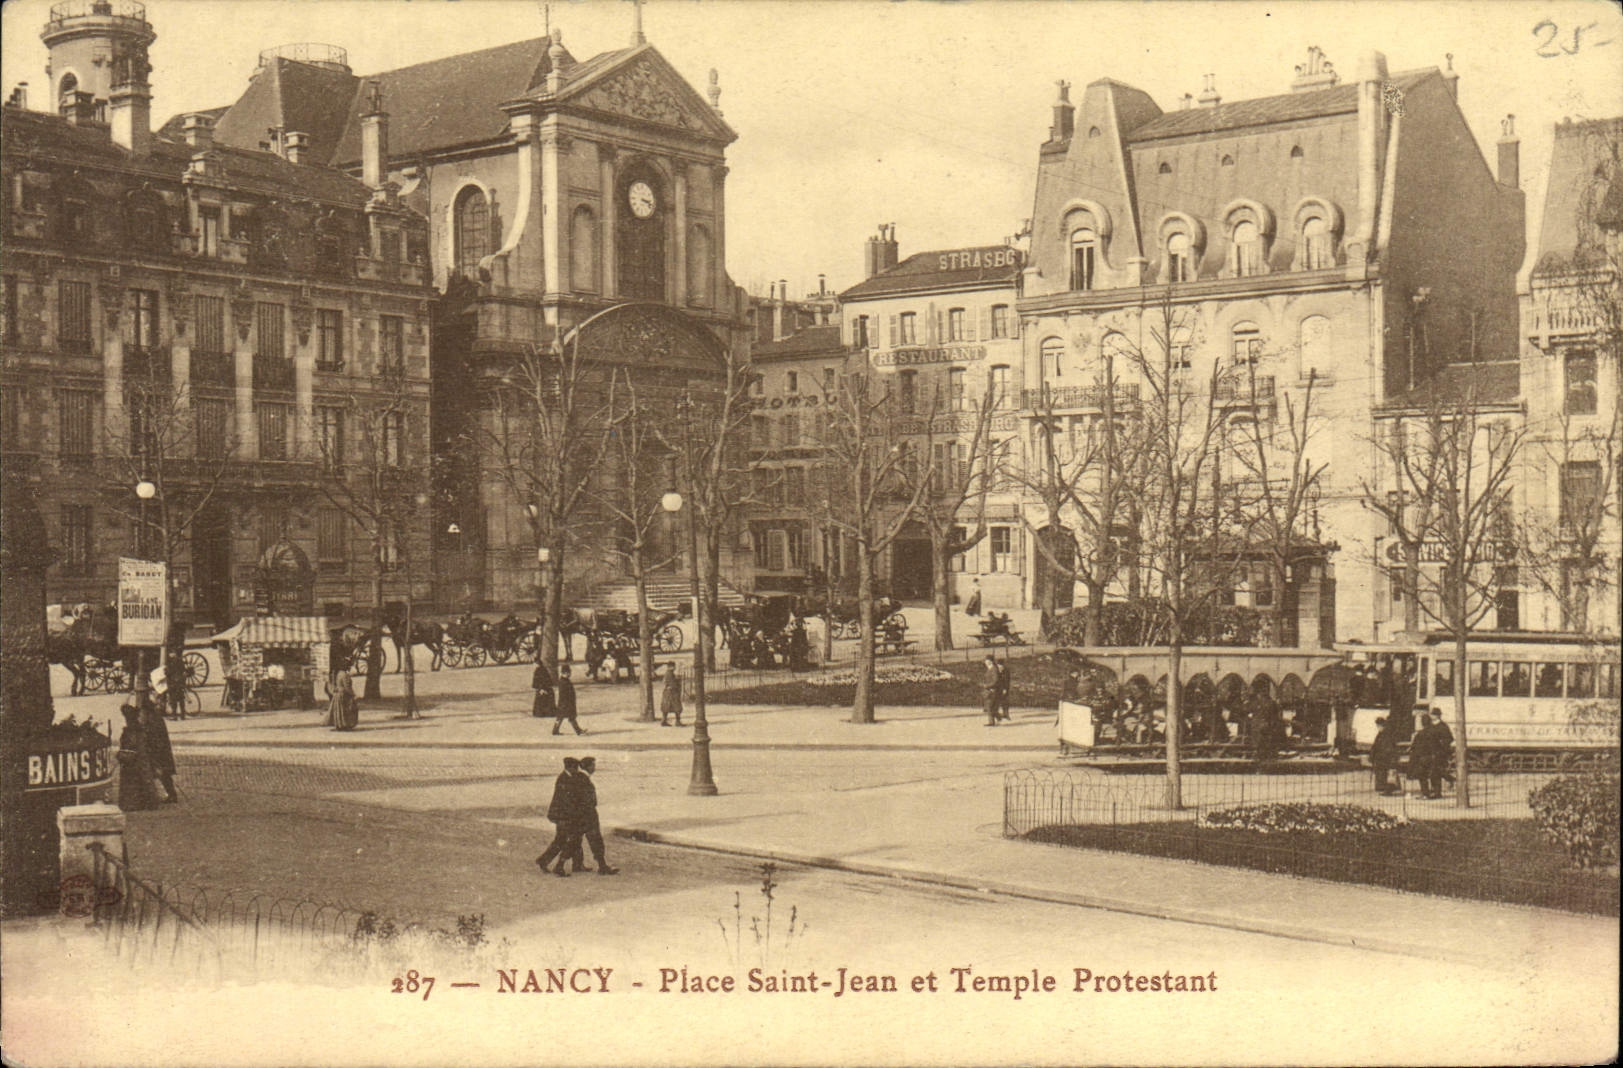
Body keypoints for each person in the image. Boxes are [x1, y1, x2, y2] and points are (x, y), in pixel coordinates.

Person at [537, 758, 584, 877]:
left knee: (566, 839)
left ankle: (576, 864)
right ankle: (548, 862)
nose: (577, 770)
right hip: (563, 816)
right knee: (564, 840)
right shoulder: (564, 779)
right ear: (570, 767)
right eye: (576, 767)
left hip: (563, 815)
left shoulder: (566, 777)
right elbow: (565, 801)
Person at [574, 757, 619, 875]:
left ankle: (577, 864)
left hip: (579, 815)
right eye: (593, 765)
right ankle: (602, 866)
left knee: (576, 839)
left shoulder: (578, 778)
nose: (594, 768)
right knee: (596, 841)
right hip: (588, 815)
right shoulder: (584, 780)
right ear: (588, 766)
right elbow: (587, 800)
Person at [116, 705, 159, 811]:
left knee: (134, 779)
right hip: (141, 758)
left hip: (135, 759)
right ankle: (148, 801)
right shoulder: (140, 729)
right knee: (144, 778)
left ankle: (135, 803)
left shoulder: (131, 731)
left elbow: (130, 745)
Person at [142, 695, 179, 803]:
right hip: (163, 750)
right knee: (164, 774)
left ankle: (169, 795)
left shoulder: (152, 720)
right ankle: (171, 794)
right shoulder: (156, 717)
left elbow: (153, 737)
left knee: (162, 774)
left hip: (159, 751)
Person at [1370, 716, 1400, 795]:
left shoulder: (1386, 734)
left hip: (1385, 758)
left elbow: (1386, 747)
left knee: (1387, 774)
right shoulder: (1382, 734)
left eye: (1378, 726)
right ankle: (1385, 789)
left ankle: (1387, 790)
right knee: (1385, 774)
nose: (1378, 727)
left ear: (1382, 725)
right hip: (1383, 757)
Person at [552, 664, 584, 735]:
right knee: (567, 717)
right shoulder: (563, 682)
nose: (569, 674)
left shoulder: (565, 681)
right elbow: (563, 694)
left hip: (566, 703)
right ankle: (578, 731)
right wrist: (566, 702)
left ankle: (555, 730)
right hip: (565, 703)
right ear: (563, 673)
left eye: (569, 672)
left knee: (562, 717)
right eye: (567, 673)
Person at [660, 663, 684, 727]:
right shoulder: (670, 674)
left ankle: (664, 721)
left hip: (667, 693)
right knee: (677, 707)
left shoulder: (668, 673)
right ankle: (677, 722)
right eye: (674, 666)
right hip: (672, 693)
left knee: (666, 707)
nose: (675, 668)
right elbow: (673, 684)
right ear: (671, 667)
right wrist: (678, 680)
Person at [982, 655, 1000, 727]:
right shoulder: (989, 669)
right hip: (989, 690)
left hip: (993, 690)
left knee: (990, 706)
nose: (986, 662)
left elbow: (996, 681)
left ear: (991, 661)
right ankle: (997, 717)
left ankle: (992, 722)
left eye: (987, 661)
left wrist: (988, 686)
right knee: (990, 706)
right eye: (985, 661)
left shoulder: (994, 669)